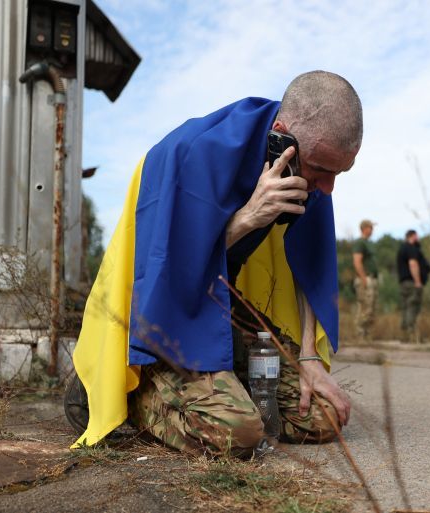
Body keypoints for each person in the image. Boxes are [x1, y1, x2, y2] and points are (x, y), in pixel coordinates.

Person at [65, 71, 362, 456]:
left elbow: (308, 264)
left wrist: (308, 358)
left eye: (338, 173)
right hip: (160, 310)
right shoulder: (193, 152)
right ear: (283, 135)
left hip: (220, 298)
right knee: (237, 432)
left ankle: (222, 386)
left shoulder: (306, 165)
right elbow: (167, 269)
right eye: (322, 170)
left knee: (323, 418)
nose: (327, 187)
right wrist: (248, 218)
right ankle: (127, 391)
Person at [396, 230, 430, 343]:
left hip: (404, 283)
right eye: (417, 236)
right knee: (413, 307)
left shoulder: (402, 248)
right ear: (412, 236)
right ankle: (411, 336)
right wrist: (417, 281)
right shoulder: (411, 248)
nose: (418, 238)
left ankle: (405, 335)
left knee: (406, 307)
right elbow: (413, 264)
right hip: (412, 282)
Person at [352, 219, 378, 341]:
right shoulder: (360, 243)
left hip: (371, 278)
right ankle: (359, 336)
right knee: (364, 308)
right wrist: (364, 279)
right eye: (370, 227)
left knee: (371, 309)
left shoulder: (368, 243)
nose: (372, 230)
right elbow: (357, 262)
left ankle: (367, 337)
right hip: (364, 279)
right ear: (364, 228)